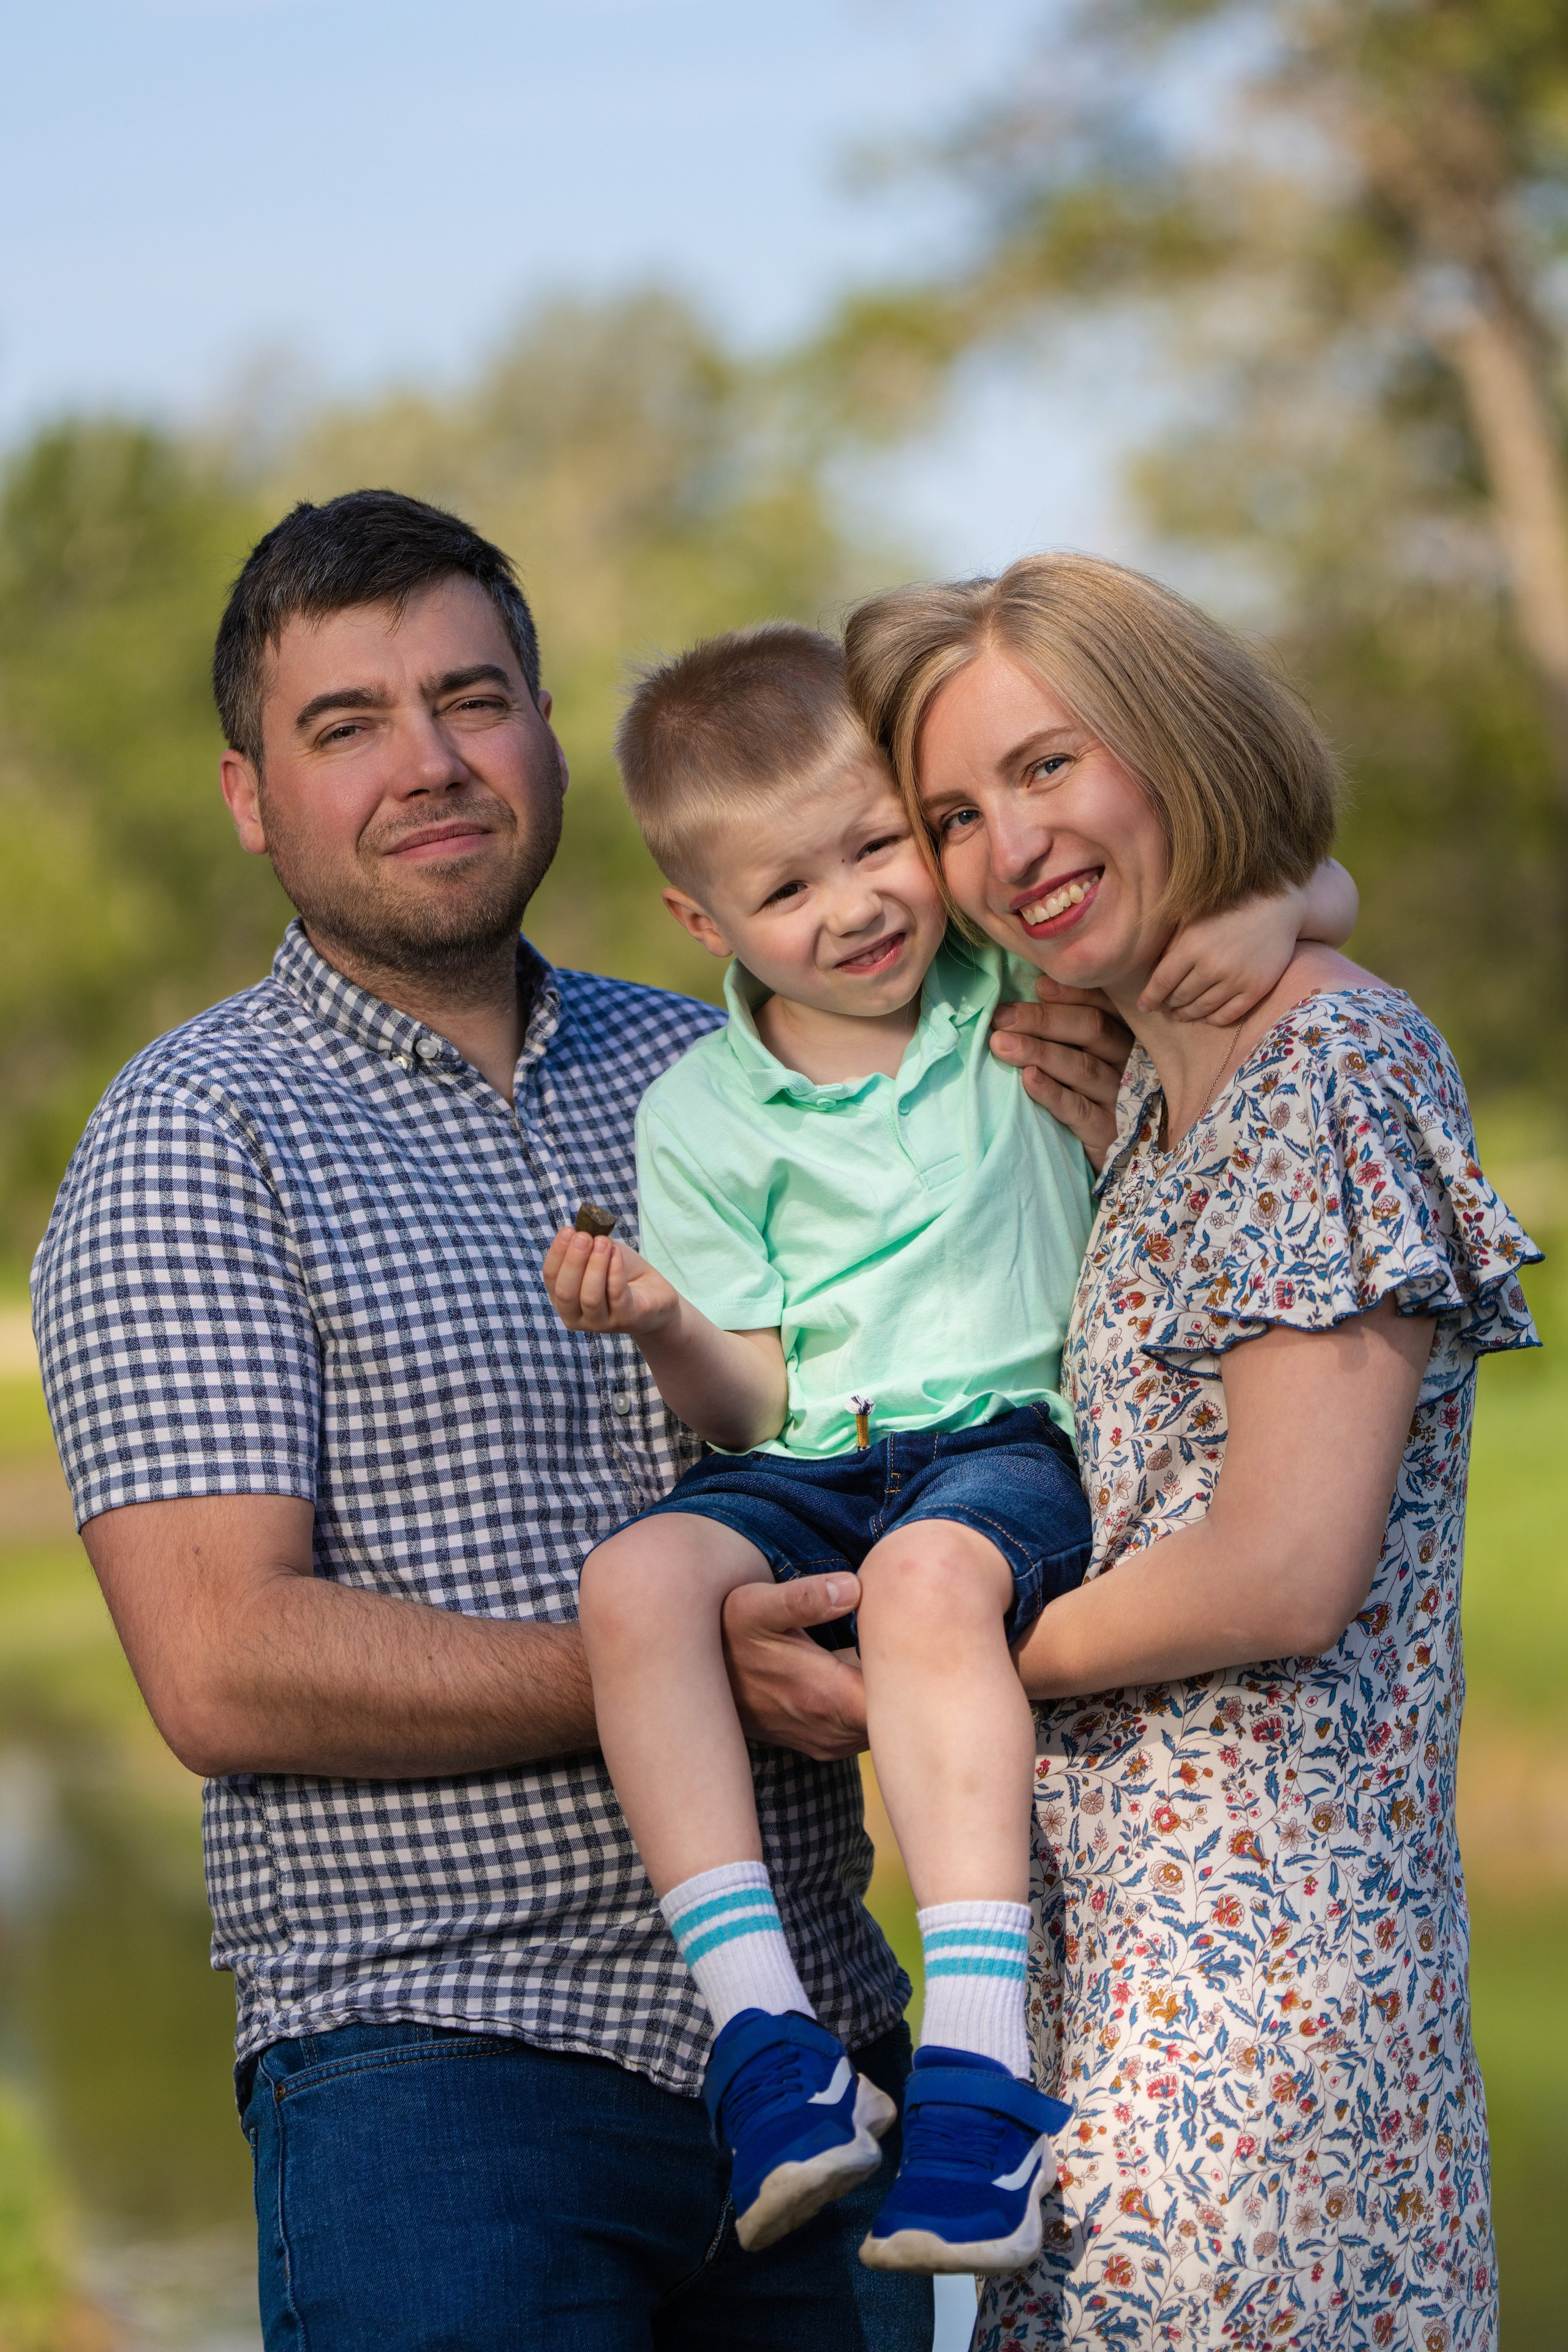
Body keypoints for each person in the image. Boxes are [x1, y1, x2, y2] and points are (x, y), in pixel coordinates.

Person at [32, 490, 1034, 2352]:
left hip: (835, 2047)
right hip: (444, 2077)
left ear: (547, 736)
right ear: (252, 795)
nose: (430, 763)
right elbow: (221, 1665)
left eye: (474, 700)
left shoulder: (731, 1066)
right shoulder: (196, 1136)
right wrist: (690, 1670)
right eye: (348, 726)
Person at [540, 623, 1359, 2277]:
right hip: (815, 1450)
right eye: (787, 892)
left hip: (1003, 1442)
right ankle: (772, 2046)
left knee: (924, 1580)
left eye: (877, 846)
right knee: (637, 1578)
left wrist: (1288, 906)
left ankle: (980, 2084)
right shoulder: (701, 1112)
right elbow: (749, 1409)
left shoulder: (1016, 986)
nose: (852, 908)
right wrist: (658, 1326)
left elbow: (1268, 889)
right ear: (703, 921)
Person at [845, 551, 1540, 2351]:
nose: (1008, 844)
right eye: (952, 812)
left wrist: (939, 1659)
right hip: (1114, 1988)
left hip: (1263, 2021)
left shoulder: (1327, 1068)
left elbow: (1282, 1568)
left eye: (1051, 765)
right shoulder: (1141, 1084)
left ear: (1178, 743)